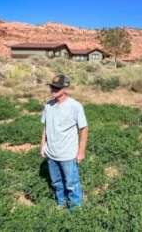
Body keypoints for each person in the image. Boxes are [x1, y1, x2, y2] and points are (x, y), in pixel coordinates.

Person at [40, 74, 88, 211]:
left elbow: (83, 129)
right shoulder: (48, 105)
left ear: (65, 88)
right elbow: (45, 127)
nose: (53, 89)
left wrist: (81, 152)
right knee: (56, 182)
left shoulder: (75, 106)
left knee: (71, 184)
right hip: (51, 153)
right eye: (52, 86)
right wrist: (42, 145)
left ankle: (75, 210)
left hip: (68, 154)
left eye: (57, 87)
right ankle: (61, 203)